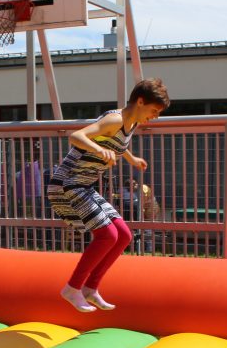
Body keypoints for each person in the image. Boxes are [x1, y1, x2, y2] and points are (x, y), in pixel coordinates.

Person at [47, 78, 170, 312]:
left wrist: (131, 158)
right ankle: (72, 288)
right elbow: (77, 136)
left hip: (84, 185)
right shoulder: (114, 119)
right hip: (67, 184)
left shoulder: (131, 123)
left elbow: (115, 143)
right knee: (107, 236)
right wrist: (98, 149)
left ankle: (90, 289)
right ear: (140, 101)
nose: (155, 116)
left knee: (123, 235)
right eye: (154, 111)